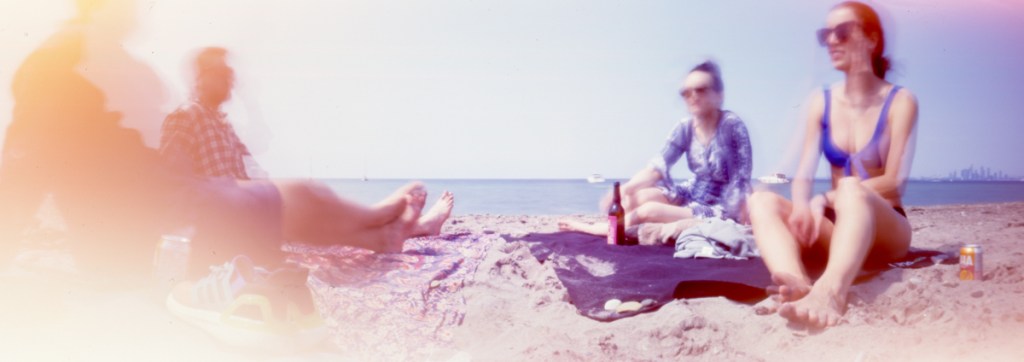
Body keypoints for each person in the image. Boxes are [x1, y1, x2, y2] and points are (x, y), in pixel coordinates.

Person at [159, 46, 455, 238]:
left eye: (232, 74)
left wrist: (263, 192)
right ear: (202, 77)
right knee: (307, 195)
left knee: (314, 202)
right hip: (224, 217)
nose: (232, 81)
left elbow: (255, 162)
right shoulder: (185, 117)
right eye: (223, 74)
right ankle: (385, 217)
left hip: (245, 209)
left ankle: (415, 227)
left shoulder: (221, 124)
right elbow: (172, 183)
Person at [747, 1, 918, 329]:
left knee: (850, 189)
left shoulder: (900, 101)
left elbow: (894, 182)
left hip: (887, 229)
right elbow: (804, 173)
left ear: (871, 39)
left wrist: (824, 198)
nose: (832, 41)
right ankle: (795, 284)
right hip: (839, 227)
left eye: (842, 32)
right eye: (825, 34)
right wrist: (800, 205)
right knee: (762, 201)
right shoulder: (820, 101)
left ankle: (831, 292)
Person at [559, 61, 753, 235]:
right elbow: (657, 168)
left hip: (720, 205)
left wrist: (742, 211)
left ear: (719, 95)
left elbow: (741, 179)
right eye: (686, 92)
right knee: (638, 196)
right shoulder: (685, 127)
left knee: (648, 210)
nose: (692, 96)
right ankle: (617, 228)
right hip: (692, 192)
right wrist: (624, 190)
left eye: (700, 89)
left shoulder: (731, 125)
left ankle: (591, 229)